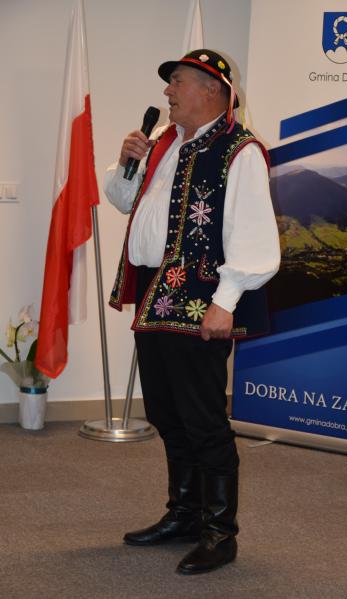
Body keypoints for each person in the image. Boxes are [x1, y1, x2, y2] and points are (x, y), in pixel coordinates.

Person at [104, 49, 281, 575]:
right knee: (166, 411)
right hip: (156, 293)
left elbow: (254, 234)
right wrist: (128, 162)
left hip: (202, 299)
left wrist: (225, 302)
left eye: (177, 82)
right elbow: (124, 200)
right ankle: (183, 514)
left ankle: (219, 532)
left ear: (212, 89)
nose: (168, 92)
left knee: (203, 418)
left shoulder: (239, 150)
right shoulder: (165, 143)